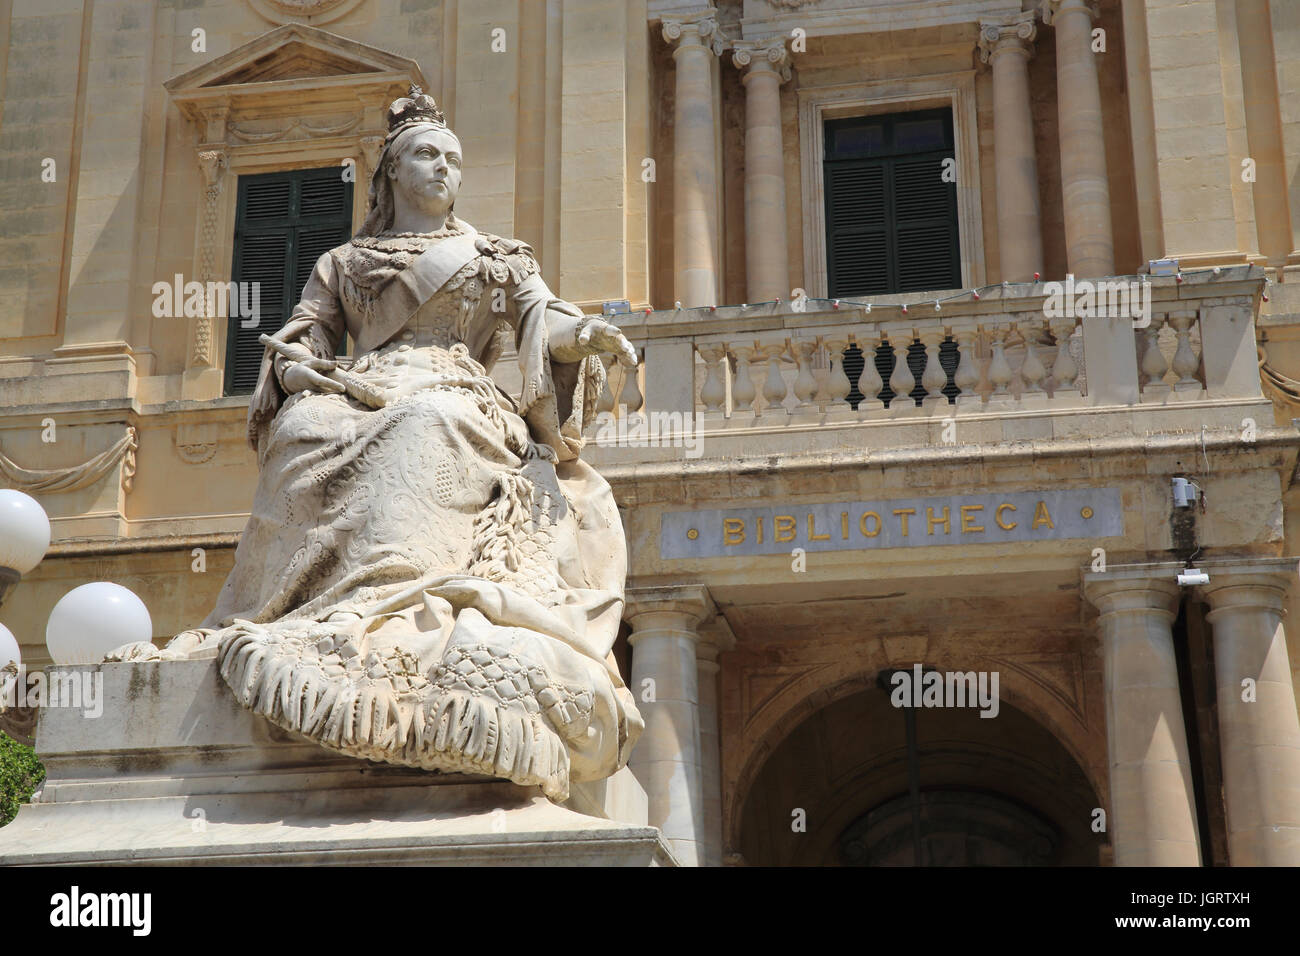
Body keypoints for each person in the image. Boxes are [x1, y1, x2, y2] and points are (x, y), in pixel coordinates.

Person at [109, 87, 643, 801]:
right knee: (303, 427)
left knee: (426, 425)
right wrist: (297, 367)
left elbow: (546, 320)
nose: (443, 169)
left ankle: (393, 600)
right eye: (427, 155)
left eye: (453, 159)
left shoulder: (497, 257)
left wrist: (589, 334)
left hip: (454, 390)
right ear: (392, 172)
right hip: (357, 388)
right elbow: (304, 335)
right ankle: (312, 608)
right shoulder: (342, 262)